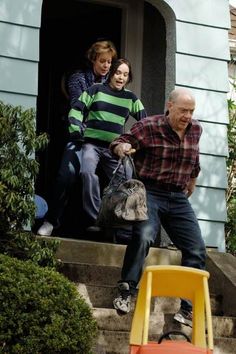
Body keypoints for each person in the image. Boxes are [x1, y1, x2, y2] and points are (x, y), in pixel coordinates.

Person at [110, 87, 206, 327]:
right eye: (183, 110)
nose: (188, 116)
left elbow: (194, 159)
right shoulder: (150, 126)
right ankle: (126, 290)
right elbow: (120, 141)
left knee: (196, 249)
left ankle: (187, 309)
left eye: (191, 111)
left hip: (178, 196)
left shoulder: (196, 129)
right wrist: (121, 148)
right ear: (170, 106)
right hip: (150, 191)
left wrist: (192, 180)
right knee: (144, 236)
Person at [37, 40, 117, 236]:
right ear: (93, 60)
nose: (106, 66)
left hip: (106, 141)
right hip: (81, 138)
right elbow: (78, 105)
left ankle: (113, 228)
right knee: (66, 176)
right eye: (103, 61)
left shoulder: (113, 82)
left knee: (119, 179)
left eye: (109, 62)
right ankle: (51, 220)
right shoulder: (78, 78)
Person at [68, 58, 147, 231]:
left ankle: (118, 221)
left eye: (125, 75)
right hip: (91, 146)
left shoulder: (131, 98)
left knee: (126, 180)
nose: (121, 77)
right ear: (111, 73)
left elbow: (145, 124)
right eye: (118, 73)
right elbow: (76, 109)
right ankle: (96, 218)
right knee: (87, 174)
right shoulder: (95, 90)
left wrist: (134, 144)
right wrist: (76, 130)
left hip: (115, 149)